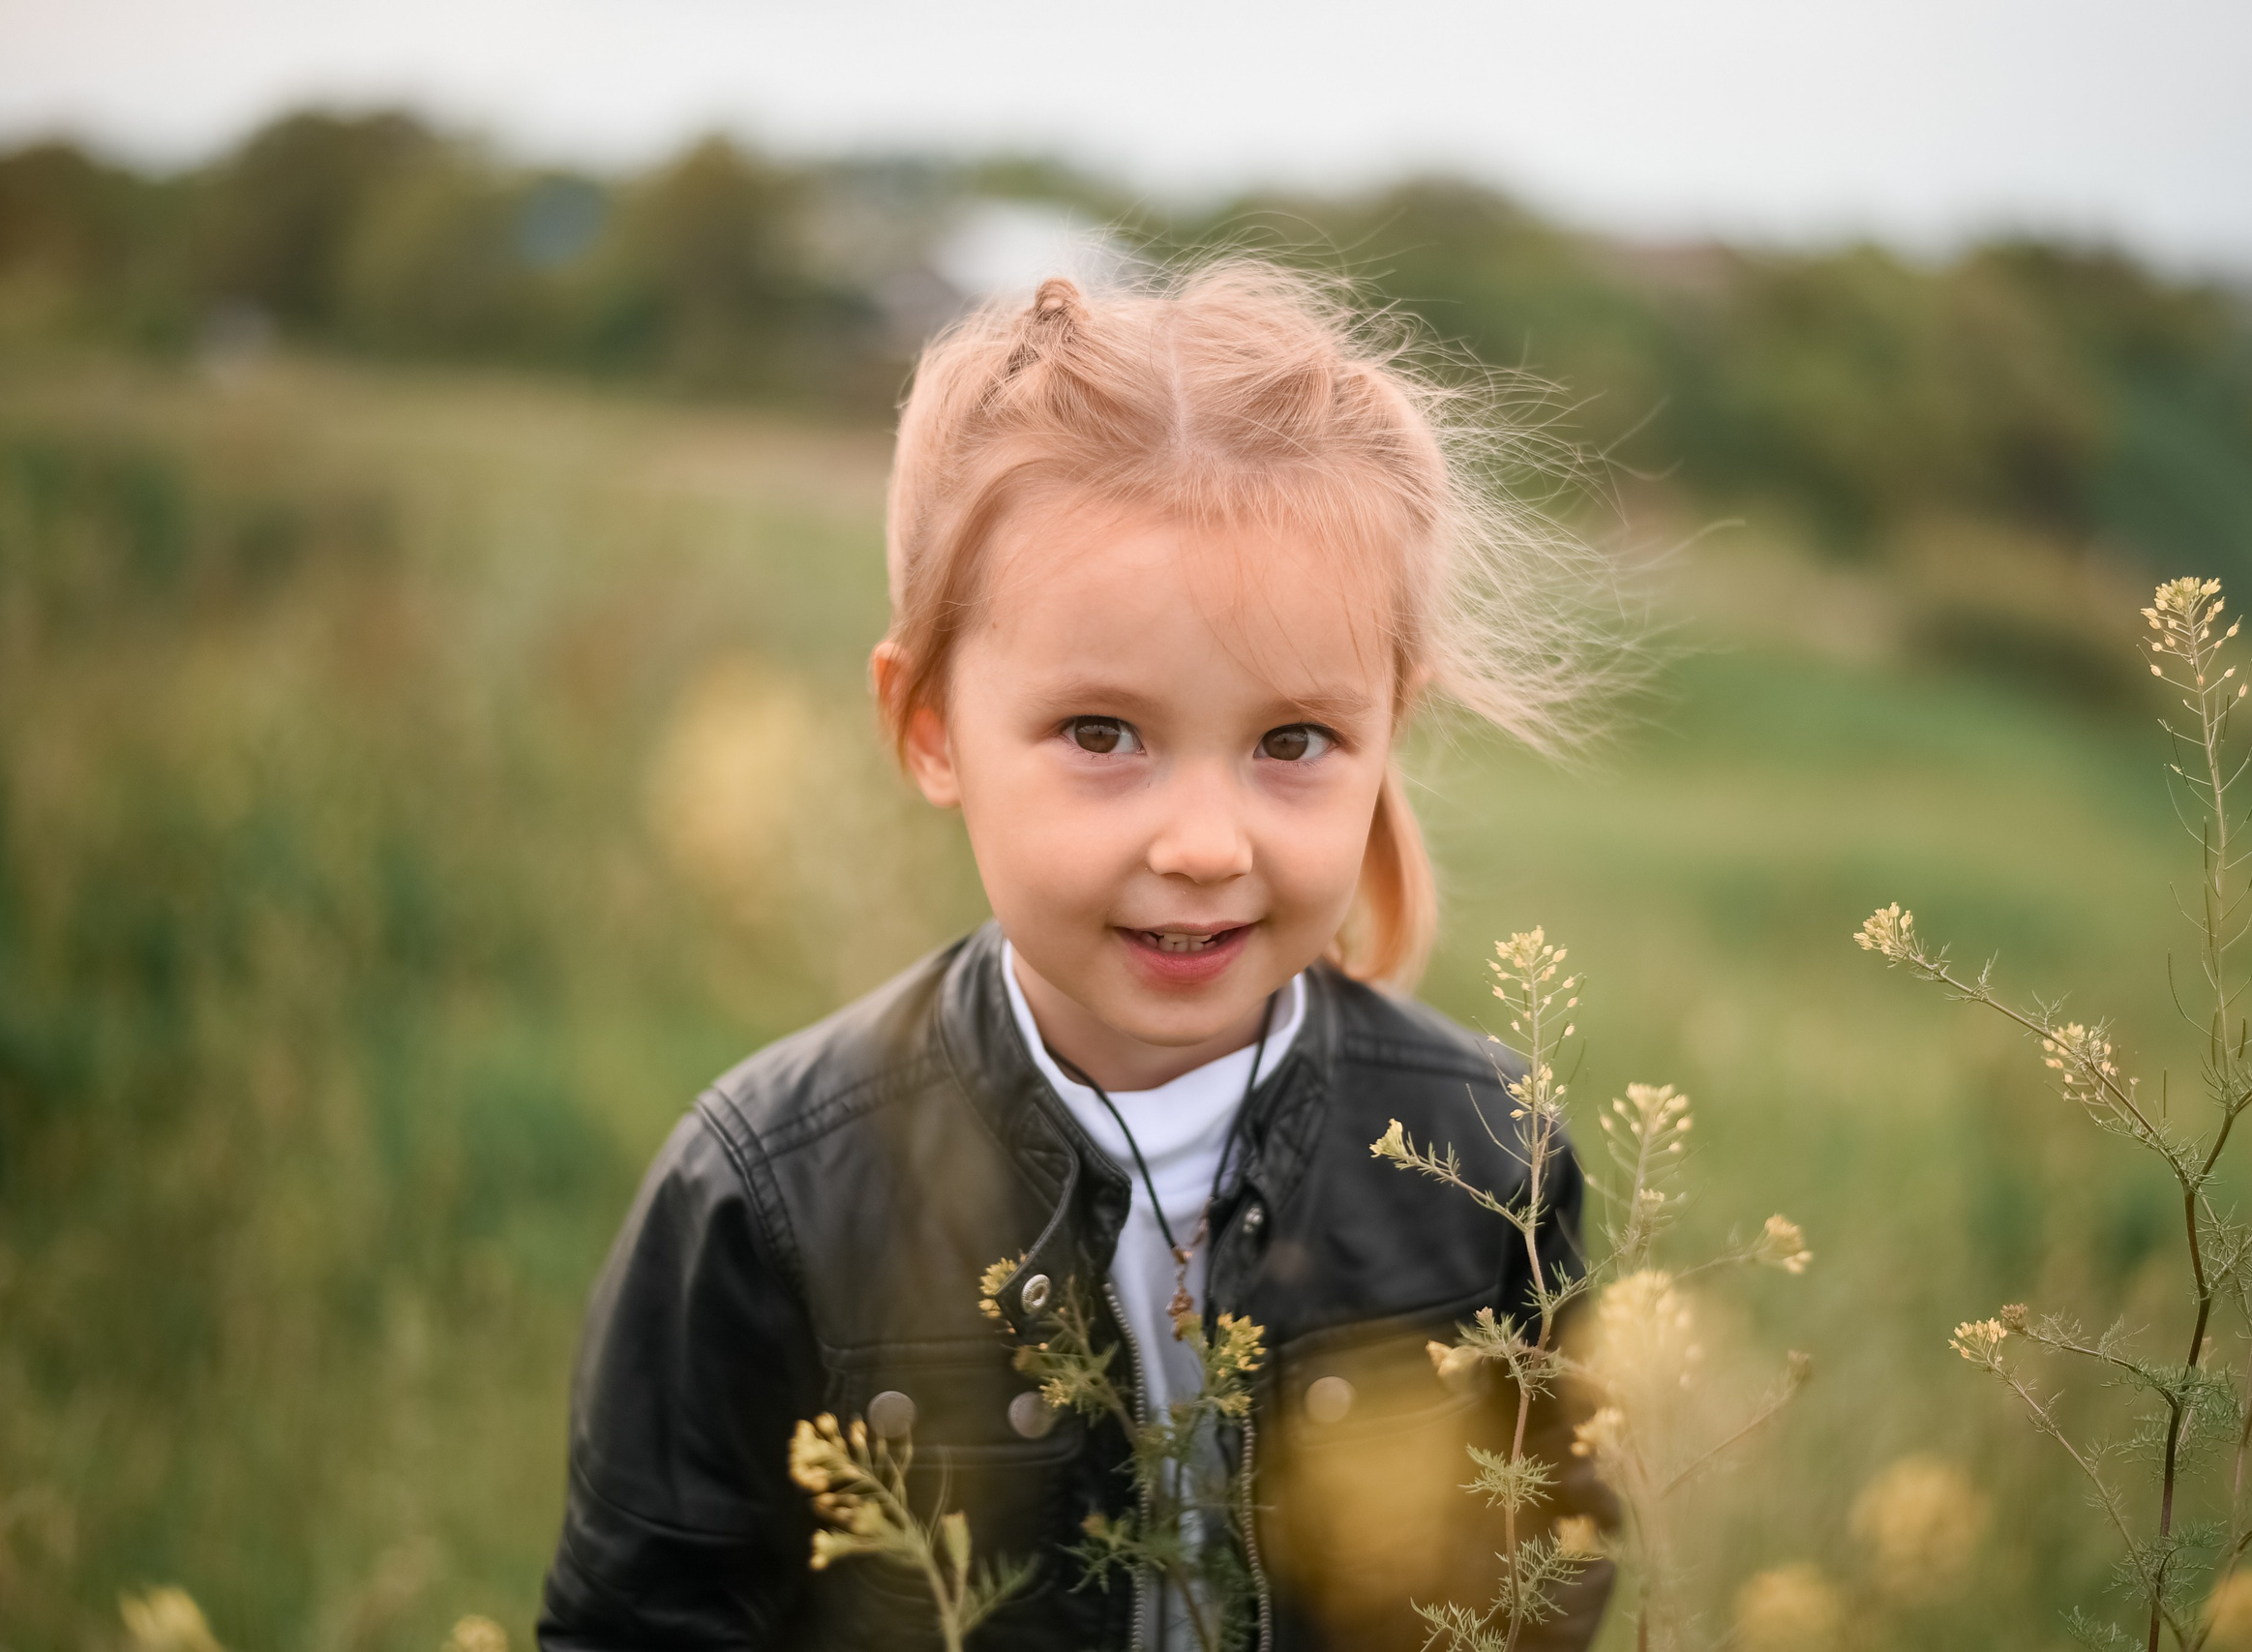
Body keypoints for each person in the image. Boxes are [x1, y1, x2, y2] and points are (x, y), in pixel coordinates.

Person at [537, 261, 1611, 1651]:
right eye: (1104, 734)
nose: (1206, 845)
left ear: (1386, 732)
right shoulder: (767, 1193)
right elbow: (642, 1624)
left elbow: (1545, 1579)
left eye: (1294, 741)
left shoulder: (1490, 1161)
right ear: (931, 727)